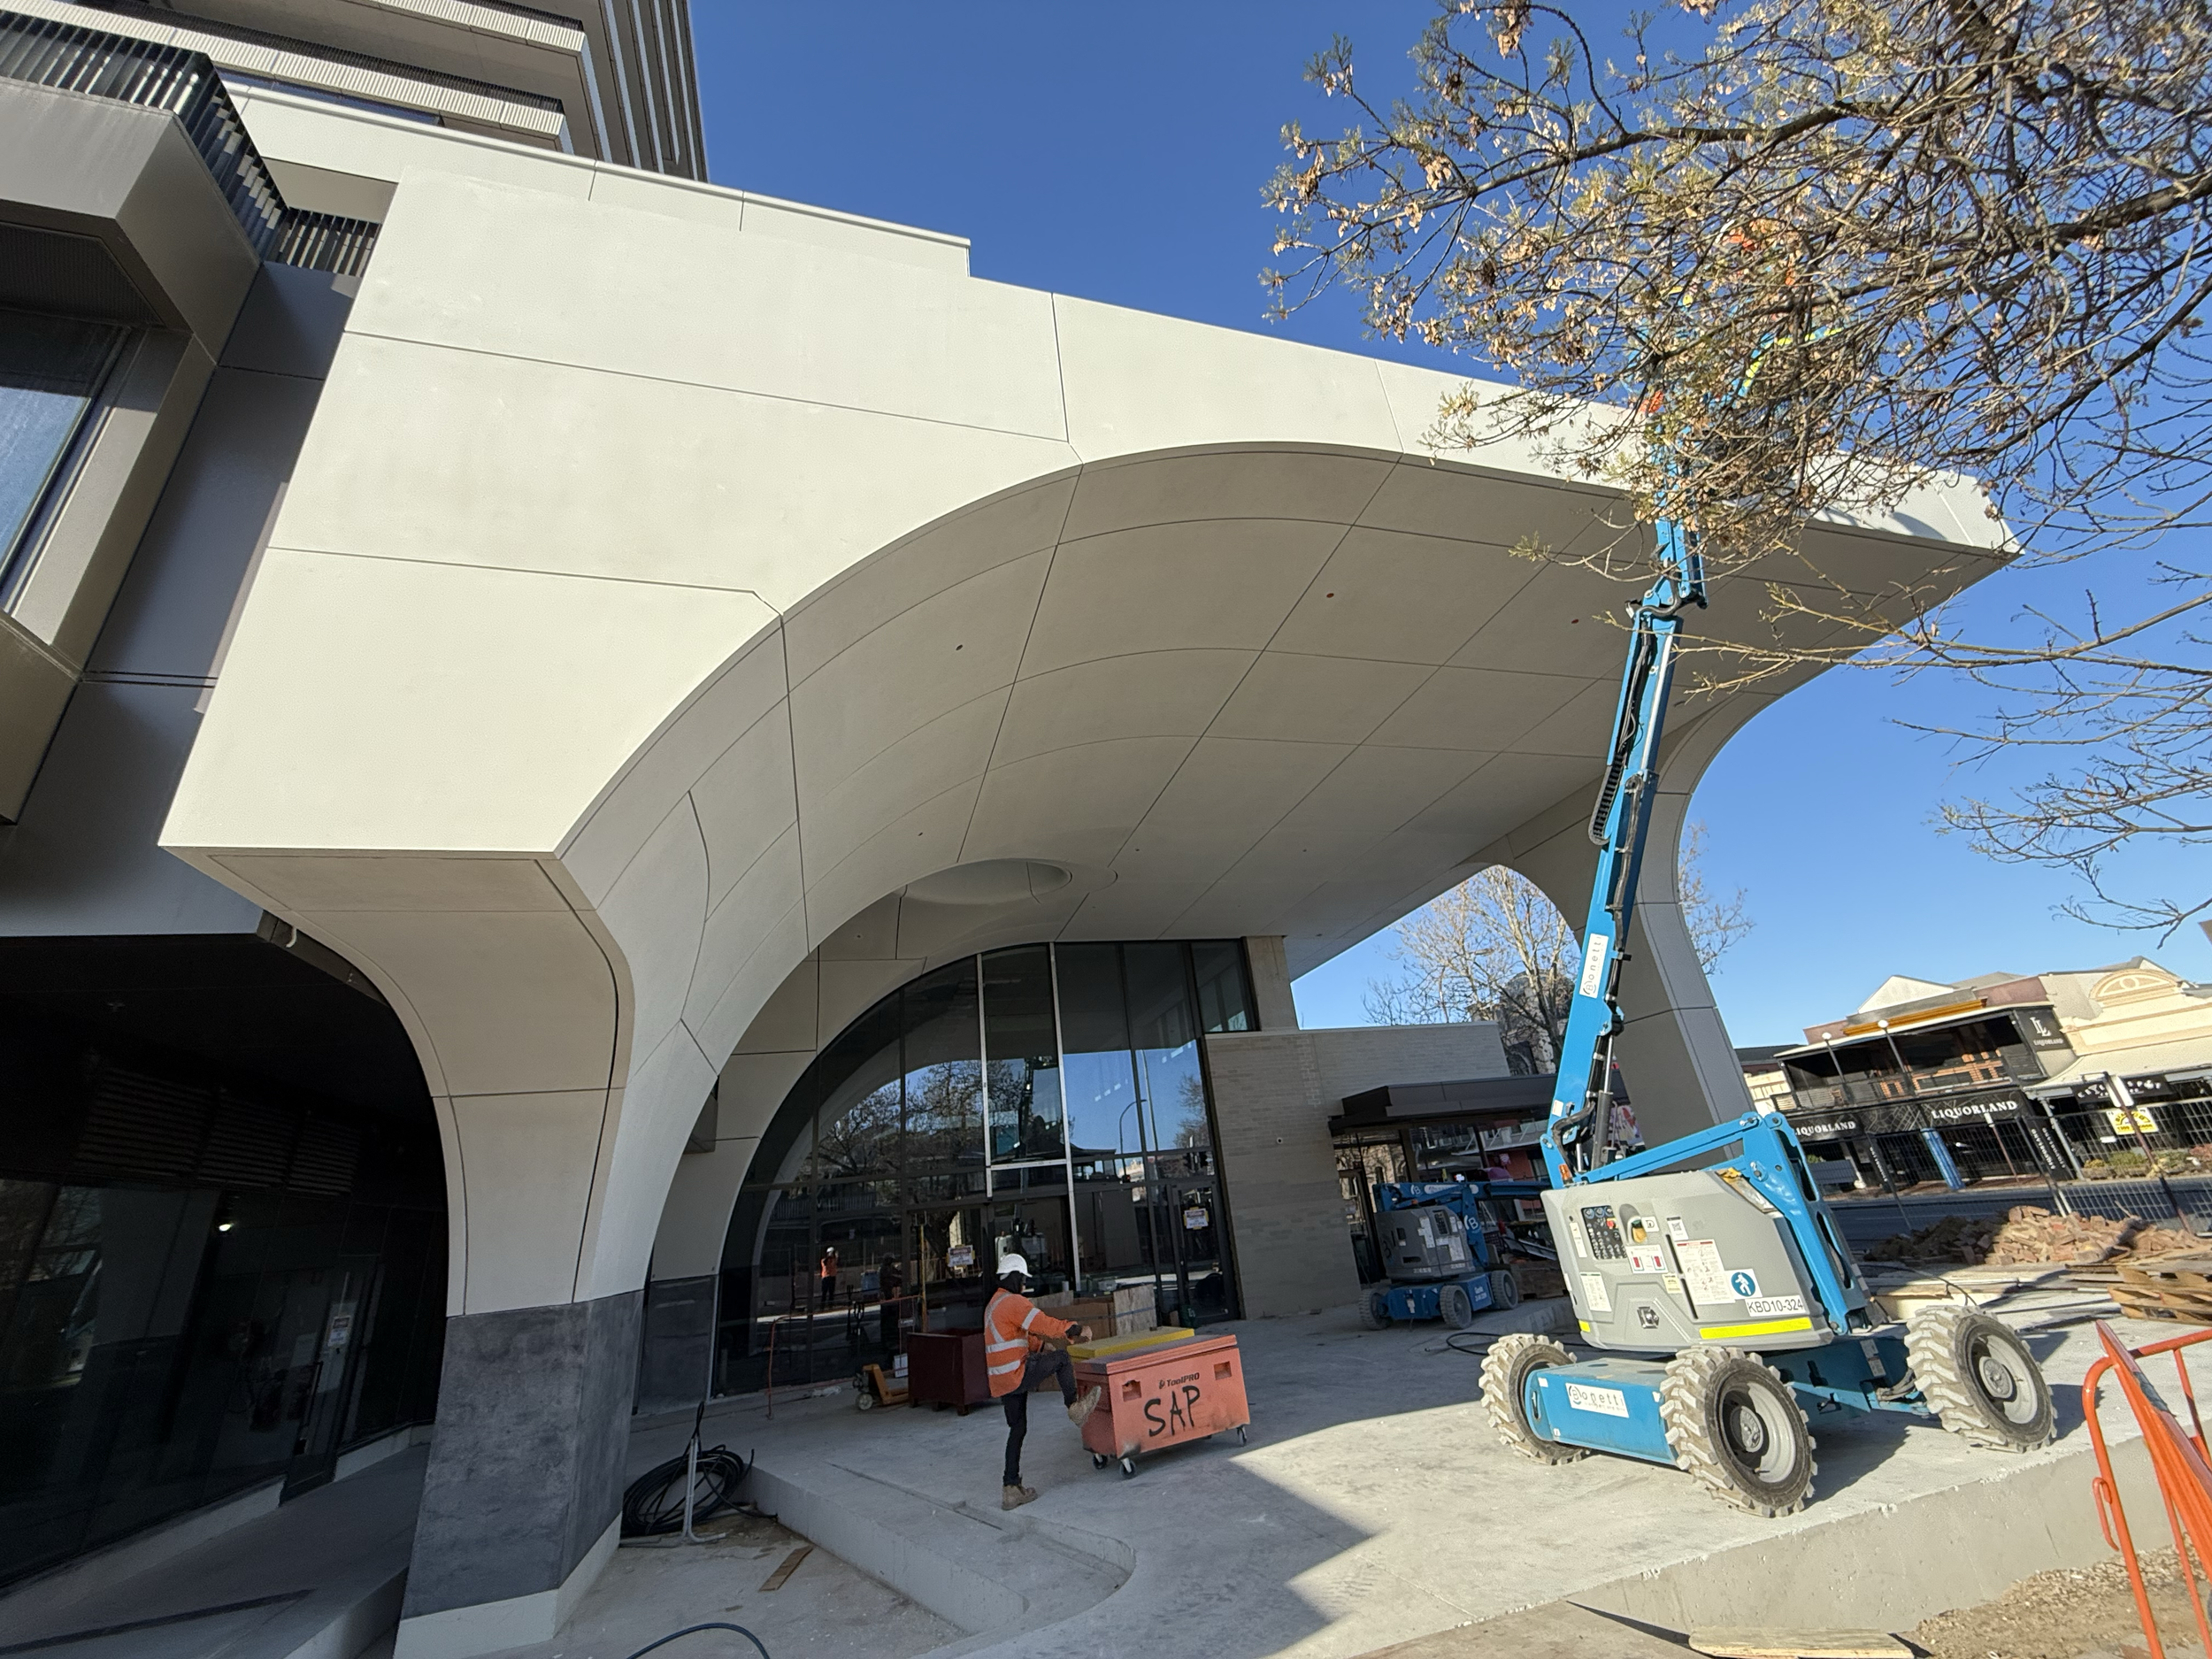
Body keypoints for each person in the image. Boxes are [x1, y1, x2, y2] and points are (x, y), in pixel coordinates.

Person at [985, 1254, 1102, 1510]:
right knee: (1061, 1359)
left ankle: (1010, 1489)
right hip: (1016, 1372)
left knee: (1017, 1429)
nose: (1025, 1285)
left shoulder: (995, 1304)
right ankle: (1075, 1408)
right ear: (1015, 1278)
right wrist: (1074, 1329)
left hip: (1002, 1380)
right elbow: (1043, 1323)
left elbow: (1015, 1336)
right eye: (1023, 1279)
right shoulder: (1013, 1302)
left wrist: (1039, 1346)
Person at [817, 1245, 838, 1312]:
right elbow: (825, 1264)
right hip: (826, 1277)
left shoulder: (834, 1260)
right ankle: (822, 1307)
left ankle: (830, 1306)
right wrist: (828, 1257)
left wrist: (836, 1256)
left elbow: (835, 1263)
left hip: (832, 1277)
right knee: (824, 1293)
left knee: (831, 1293)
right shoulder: (824, 1260)